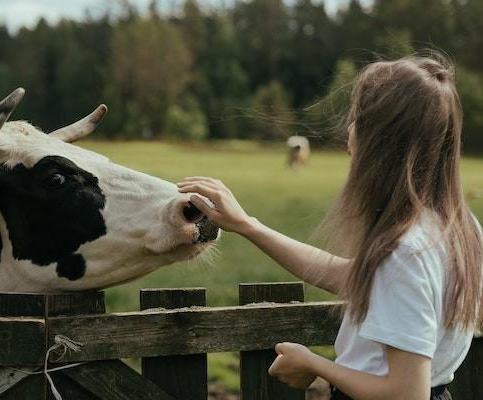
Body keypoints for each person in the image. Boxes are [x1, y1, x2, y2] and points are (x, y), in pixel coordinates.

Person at [177, 54, 483, 400]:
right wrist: (248, 225)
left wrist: (314, 364)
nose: (349, 133)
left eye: (357, 120)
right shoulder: (460, 229)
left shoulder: (405, 251)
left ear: (380, 140)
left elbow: (406, 394)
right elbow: (350, 278)